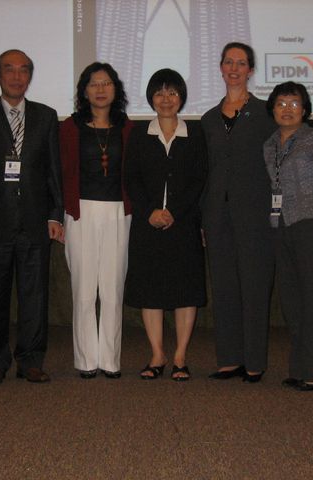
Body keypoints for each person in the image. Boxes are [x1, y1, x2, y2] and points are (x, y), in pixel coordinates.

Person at [0, 49, 63, 385]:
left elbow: (53, 171)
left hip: (35, 219)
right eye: (9, 70)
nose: (17, 77)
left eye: (23, 71)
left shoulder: (47, 117)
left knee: (34, 296)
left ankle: (31, 360)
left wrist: (55, 214)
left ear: (30, 76)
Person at [200, 42, 277, 383]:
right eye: (228, 61)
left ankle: (255, 362)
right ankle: (229, 359)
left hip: (255, 214)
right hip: (217, 215)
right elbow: (206, 172)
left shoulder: (265, 114)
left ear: (250, 70)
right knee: (225, 287)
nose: (234, 68)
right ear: (220, 67)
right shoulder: (207, 119)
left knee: (255, 287)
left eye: (241, 63)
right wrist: (203, 218)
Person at [124, 69, 207, 381]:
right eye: (159, 93)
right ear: (151, 99)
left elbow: (200, 178)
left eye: (172, 92)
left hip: (184, 223)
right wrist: (149, 212)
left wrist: (174, 211)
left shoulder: (195, 134)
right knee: (151, 288)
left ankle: (180, 356)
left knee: (186, 289)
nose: (166, 99)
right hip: (148, 224)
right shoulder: (138, 135)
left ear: (181, 97)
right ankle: (157, 354)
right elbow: (131, 179)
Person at [60, 63, 133, 379]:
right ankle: (86, 359)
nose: (100, 89)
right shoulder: (69, 128)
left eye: (106, 83)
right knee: (85, 289)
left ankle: (110, 360)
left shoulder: (128, 128)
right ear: (84, 90)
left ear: (115, 89)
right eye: (93, 83)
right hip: (81, 212)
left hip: (118, 211)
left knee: (113, 288)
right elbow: (58, 173)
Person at [264, 81, 313, 391]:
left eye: (294, 104)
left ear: (304, 109)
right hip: (282, 226)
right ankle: (299, 368)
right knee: (292, 302)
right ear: (273, 109)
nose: (287, 109)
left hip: (312, 225)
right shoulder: (269, 145)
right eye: (281, 104)